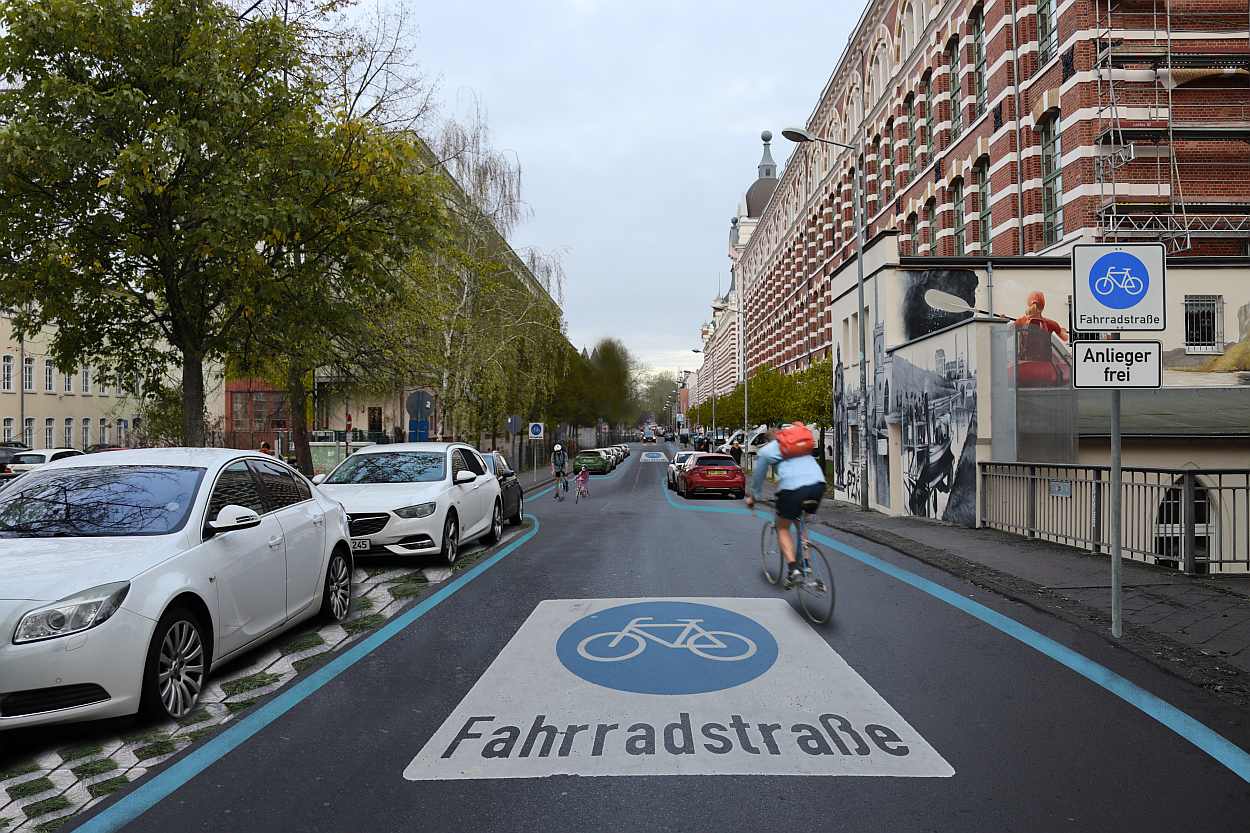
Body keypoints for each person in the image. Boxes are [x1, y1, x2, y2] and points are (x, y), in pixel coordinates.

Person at [744, 426, 827, 588]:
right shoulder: (801, 442)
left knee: (782, 528)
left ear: (768, 440)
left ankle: (793, 571)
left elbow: (758, 478)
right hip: (818, 485)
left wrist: (754, 498)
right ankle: (806, 564)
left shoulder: (767, 451)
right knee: (801, 522)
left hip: (792, 489)